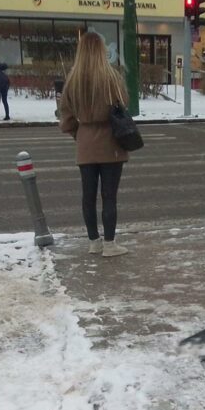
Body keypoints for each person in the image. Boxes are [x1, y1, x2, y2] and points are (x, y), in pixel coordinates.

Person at [58, 31, 130, 258]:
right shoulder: (112, 77)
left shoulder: (73, 79)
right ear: (101, 51)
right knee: (109, 196)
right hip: (111, 143)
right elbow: (123, 105)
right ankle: (110, 244)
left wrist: (79, 134)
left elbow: (66, 117)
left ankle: (93, 241)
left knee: (87, 196)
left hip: (85, 141)